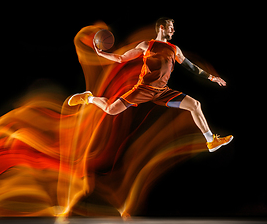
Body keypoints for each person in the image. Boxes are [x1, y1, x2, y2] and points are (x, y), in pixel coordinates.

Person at [68, 17, 233, 152]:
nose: (173, 30)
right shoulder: (147, 45)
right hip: (143, 89)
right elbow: (121, 58)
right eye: (170, 27)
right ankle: (89, 98)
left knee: (195, 104)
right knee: (111, 110)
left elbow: (190, 66)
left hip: (163, 92)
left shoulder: (174, 49)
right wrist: (102, 53)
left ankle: (211, 141)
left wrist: (211, 77)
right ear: (162, 27)